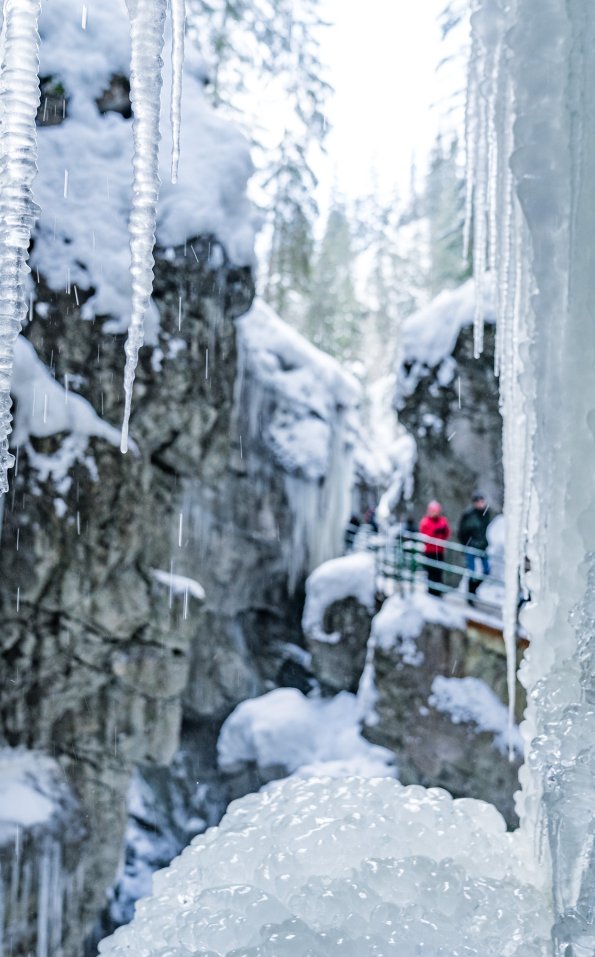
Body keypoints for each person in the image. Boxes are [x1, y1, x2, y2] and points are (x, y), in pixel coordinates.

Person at [458, 491, 492, 602]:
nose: (481, 503)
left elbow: (485, 530)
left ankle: (474, 589)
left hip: (482, 546)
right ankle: (470, 595)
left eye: (482, 501)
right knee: (471, 571)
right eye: (478, 501)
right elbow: (462, 531)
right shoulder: (468, 515)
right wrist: (466, 544)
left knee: (486, 570)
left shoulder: (486, 513)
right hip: (471, 546)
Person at [419, 500, 451, 597]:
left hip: (440, 551)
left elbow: (447, 534)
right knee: (431, 571)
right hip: (430, 551)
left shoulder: (442, 520)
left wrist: (443, 530)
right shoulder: (425, 522)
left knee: (439, 571)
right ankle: (431, 591)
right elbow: (424, 537)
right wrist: (434, 532)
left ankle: (438, 591)